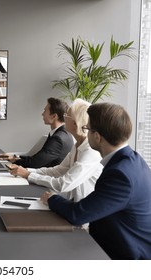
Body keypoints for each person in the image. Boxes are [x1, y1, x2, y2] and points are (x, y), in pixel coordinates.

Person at [41, 103, 151, 259]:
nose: (85, 133)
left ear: (97, 136)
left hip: (123, 256)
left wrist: (52, 199)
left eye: (87, 129)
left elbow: (78, 214)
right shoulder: (132, 160)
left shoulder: (120, 175)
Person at [8, 98, 103, 202]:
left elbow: (63, 184)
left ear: (76, 123)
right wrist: (27, 171)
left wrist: (28, 175)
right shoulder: (77, 146)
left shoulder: (90, 152)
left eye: (67, 115)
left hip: (84, 210)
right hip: (72, 202)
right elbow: (57, 170)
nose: (64, 117)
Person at [0, 97, 73, 168]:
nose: (42, 114)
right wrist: (14, 157)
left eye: (45, 111)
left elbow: (34, 163)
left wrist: (14, 160)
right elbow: (37, 158)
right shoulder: (61, 133)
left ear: (54, 116)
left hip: (46, 177)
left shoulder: (58, 138)